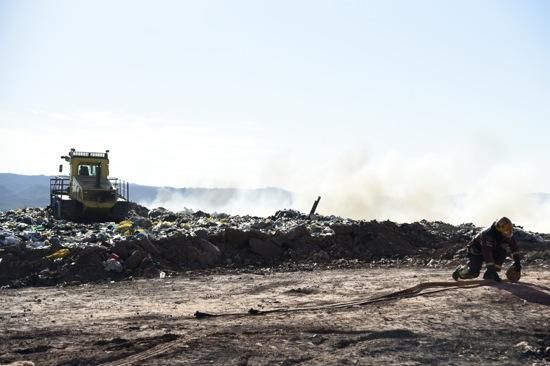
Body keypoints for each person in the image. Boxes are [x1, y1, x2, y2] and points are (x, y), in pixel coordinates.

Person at [452, 217, 521, 282]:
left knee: (501, 252)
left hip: (490, 249)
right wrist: (491, 270)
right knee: (473, 273)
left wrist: (517, 262)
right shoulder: (488, 234)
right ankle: (459, 271)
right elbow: (487, 253)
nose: (508, 234)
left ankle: (488, 275)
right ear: (499, 229)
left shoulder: (506, 233)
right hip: (476, 251)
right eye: (506, 232)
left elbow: (514, 247)